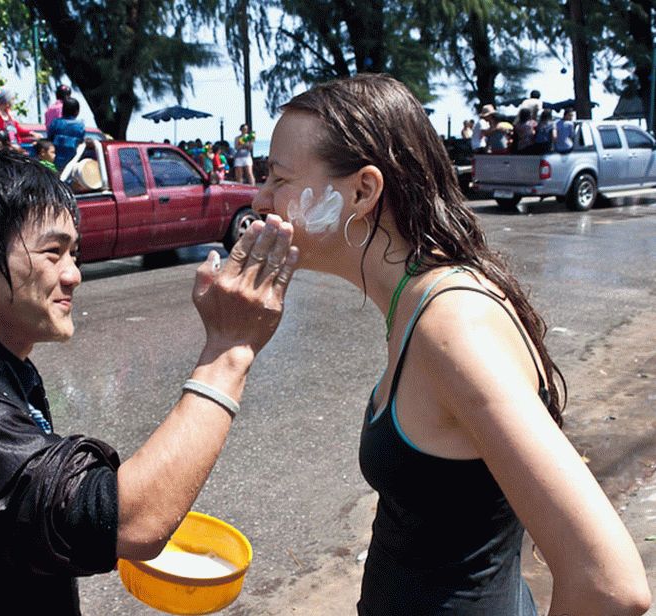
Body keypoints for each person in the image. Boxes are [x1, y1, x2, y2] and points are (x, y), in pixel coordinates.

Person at [254, 74, 650, 615]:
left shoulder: (452, 328)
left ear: (363, 192)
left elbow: (610, 587)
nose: (260, 197)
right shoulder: (417, 300)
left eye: (278, 178)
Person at [0, 150, 298, 614]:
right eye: (53, 252)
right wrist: (229, 351)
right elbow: (128, 522)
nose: (74, 275)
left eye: (74, 254)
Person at [47, 97, 85, 170]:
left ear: (63, 110)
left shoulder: (55, 123)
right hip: (72, 163)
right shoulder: (80, 126)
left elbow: (49, 139)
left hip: (55, 162)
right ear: (77, 111)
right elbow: (81, 143)